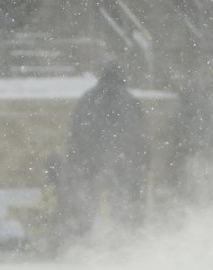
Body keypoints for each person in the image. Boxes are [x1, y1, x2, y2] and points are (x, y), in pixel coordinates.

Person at [60, 61, 149, 239]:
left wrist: (75, 158)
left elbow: (77, 131)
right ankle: (127, 239)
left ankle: (81, 237)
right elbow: (140, 134)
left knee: (85, 202)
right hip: (123, 161)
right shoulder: (129, 101)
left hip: (90, 160)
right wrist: (144, 161)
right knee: (124, 202)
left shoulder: (88, 99)